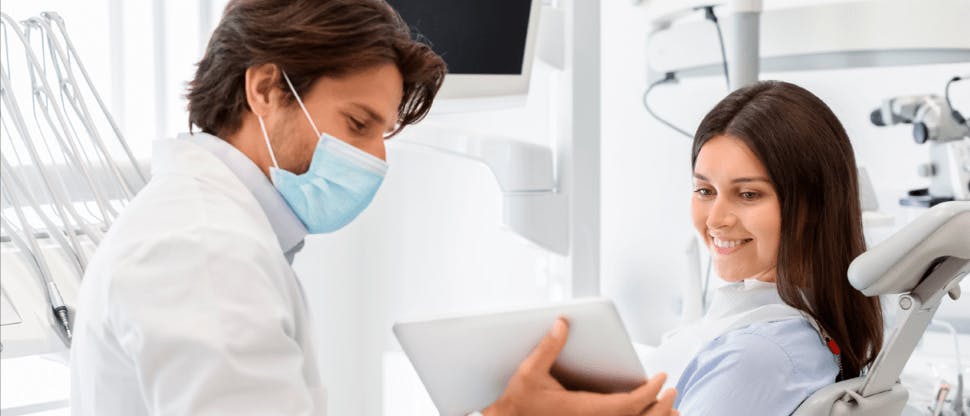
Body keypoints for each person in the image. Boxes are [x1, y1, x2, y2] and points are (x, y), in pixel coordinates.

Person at [69, 1, 676, 415]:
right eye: (358, 124)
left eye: (383, 134)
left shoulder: (218, 232)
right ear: (266, 89)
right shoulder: (203, 250)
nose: (375, 159)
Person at [641, 80, 885, 415]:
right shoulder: (787, 330)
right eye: (704, 191)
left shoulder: (758, 356)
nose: (716, 220)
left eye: (748, 194)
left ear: (811, 206)